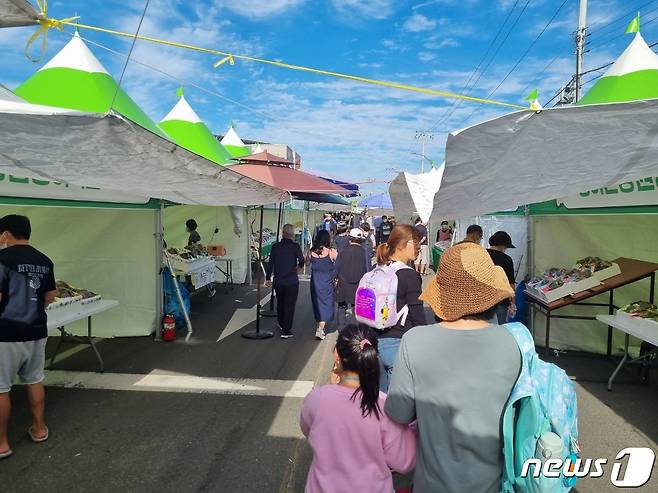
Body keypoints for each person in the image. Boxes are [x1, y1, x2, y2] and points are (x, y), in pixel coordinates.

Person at [384, 242, 522, 493]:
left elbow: (399, 413)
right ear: (491, 294)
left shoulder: (415, 342)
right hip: (495, 483)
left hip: (432, 484)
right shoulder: (514, 343)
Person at [300, 325, 416, 493]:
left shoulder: (316, 399)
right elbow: (404, 461)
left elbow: (307, 429)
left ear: (337, 356)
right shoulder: (384, 406)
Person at [0, 215, 57, 460]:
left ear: (5, 234)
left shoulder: (2, 259)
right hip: (36, 330)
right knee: (34, 379)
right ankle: (39, 428)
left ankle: (2, 443)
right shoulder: (44, 260)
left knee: (1, 388)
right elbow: (51, 294)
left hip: (6, 332)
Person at [375, 225, 427, 391]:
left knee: (379, 402)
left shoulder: (378, 270)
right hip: (398, 344)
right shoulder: (410, 275)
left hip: (375, 342)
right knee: (394, 406)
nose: (418, 246)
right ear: (400, 245)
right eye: (415, 242)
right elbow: (417, 314)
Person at [265, 224, 304, 339]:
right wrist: (299, 266)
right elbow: (301, 260)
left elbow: (270, 263)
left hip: (278, 280)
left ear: (283, 233)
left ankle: (281, 323)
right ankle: (286, 331)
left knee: (281, 302)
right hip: (291, 280)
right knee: (289, 305)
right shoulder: (295, 246)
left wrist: (268, 278)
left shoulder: (275, 246)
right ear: (292, 234)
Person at [334, 229, 370, 330]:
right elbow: (367, 270)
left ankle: (341, 330)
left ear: (349, 239)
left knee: (341, 307)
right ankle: (356, 331)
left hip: (343, 283)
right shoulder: (364, 252)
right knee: (356, 308)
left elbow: (336, 268)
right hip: (359, 284)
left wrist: (332, 280)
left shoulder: (342, 251)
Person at [307, 230, 337, 341]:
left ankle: (320, 325)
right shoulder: (331, 252)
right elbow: (339, 265)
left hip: (315, 283)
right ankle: (320, 328)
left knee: (318, 304)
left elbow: (306, 263)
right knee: (327, 305)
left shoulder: (311, 252)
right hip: (327, 283)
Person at [487, 231, 517, 324]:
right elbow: (510, 283)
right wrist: (513, 301)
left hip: (483, 299)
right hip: (501, 299)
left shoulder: (482, 254)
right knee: (500, 326)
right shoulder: (506, 259)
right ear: (502, 245)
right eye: (506, 247)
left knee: (483, 328)